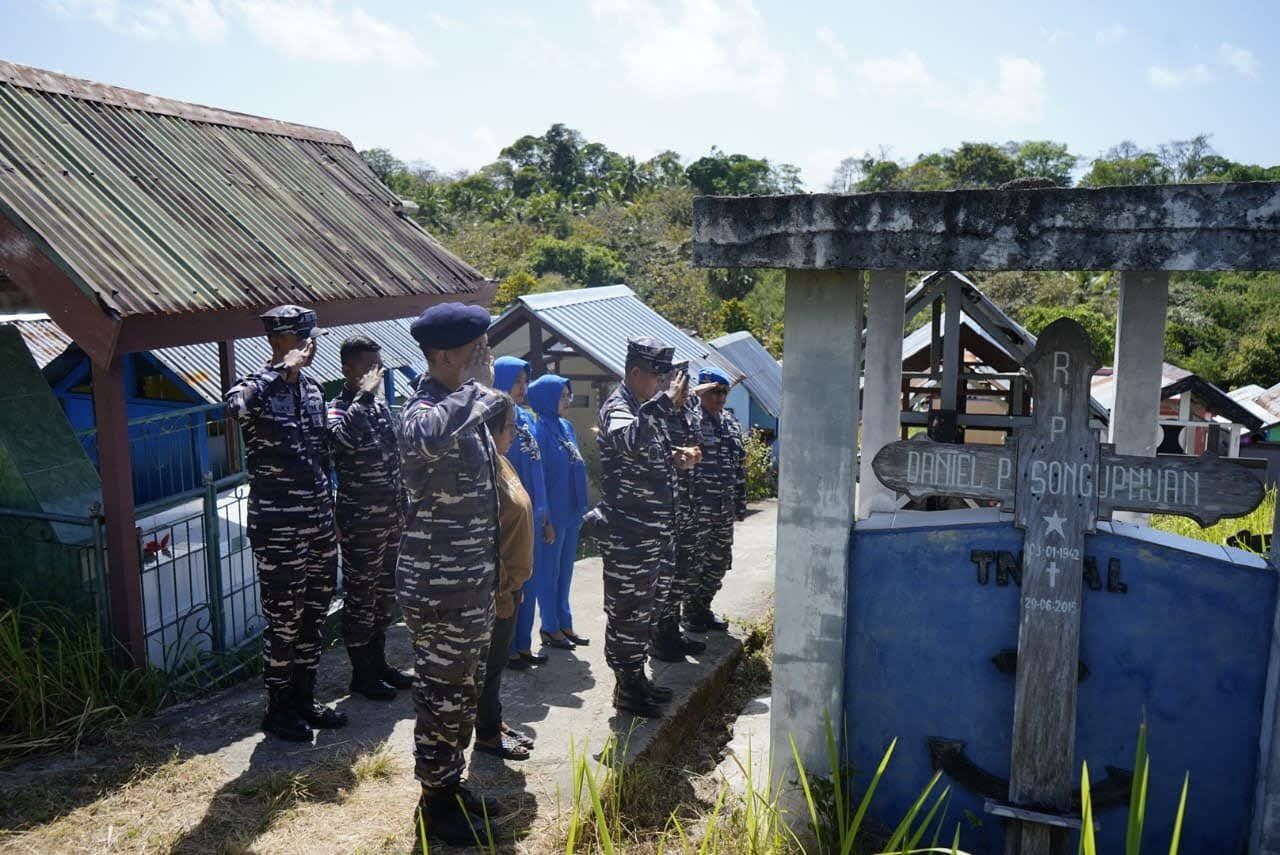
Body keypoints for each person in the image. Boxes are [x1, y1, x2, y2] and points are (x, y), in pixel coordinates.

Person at [399, 302, 506, 844]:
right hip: (439, 588)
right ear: (443, 355)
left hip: (471, 584)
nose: (485, 357)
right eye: (475, 350)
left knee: (462, 693)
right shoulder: (423, 409)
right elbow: (426, 435)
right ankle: (434, 805)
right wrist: (477, 387)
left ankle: (449, 785)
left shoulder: (464, 406)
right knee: (441, 699)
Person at [225, 305, 346, 742]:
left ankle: (304, 699)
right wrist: (281, 371)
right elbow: (234, 408)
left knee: (315, 612)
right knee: (284, 620)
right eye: (303, 338)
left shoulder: (313, 391)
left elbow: (321, 453)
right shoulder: (255, 386)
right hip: (278, 526)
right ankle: (278, 708)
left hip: (317, 521)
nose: (311, 346)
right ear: (279, 341)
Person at [595, 337, 695, 718]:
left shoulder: (643, 408)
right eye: (657, 376)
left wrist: (674, 458)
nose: (663, 384)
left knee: (649, 611)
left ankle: (637, 679)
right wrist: (666, 403)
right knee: (628, 614)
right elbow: (629, 441)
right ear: (635, 372)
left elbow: (646, 452)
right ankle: (627, 689)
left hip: (656, 535)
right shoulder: (618, 407)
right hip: (630, 538)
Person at [327, 335, 414, 701]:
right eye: (369, 366)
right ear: (348, 369)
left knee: (384, 594)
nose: (376, 374)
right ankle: (361, 675)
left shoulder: (379, 408)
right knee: (361, 597)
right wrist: (363, 396)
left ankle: (378, 664)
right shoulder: (339, 407)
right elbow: (340, 442)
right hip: (361, 522)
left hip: (392, 517)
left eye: (379, 366)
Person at [474, 393, 536, 762]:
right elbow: (488, 538)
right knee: (491, 666)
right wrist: (503, 590)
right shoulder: (483, 472)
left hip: (511, 585)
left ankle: (493, 722)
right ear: (492, 428)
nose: (514, 432)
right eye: (510, 426)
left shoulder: (502, 462)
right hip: (496, 590)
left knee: (494, 665)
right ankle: (486, 736)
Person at [492, 356, 552, 672]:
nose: (522, 387)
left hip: (534, 513)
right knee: (513, 582)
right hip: (512, 519)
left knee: (528, 580)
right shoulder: (498, 421)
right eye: (516, 380)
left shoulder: (526, 419)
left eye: (525, 381)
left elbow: (537, 470)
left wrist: (544, 514)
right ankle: (510, 649)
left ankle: (524, 645)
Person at [527, 374, 590, 652]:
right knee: (548, 574)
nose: (567, 401)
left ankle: (565, 623)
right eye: (562, 396)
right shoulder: (538, 432)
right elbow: (539, 479)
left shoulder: (566, 427)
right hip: (551, 517)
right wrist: (545, 520)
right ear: (546, 399)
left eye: (568, 395)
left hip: (571, 512)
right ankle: (549, 627)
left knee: (565, 573)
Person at [685, 367, 748, 633]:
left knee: (718, 561)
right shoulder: (691, 420)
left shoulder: (730, 422)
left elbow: (739, 465)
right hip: (698, 508)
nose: (721, 397)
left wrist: (740, 503)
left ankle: (703, 609)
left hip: (723, 507)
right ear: (703, 391)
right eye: (715, 392)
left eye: (725, 392)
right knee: (693, 564)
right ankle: (688, 615)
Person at [651, 368, 706, 662]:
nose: (685, 392)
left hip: (688, 503)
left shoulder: (686, 412)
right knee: (666, 577)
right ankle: (660, 638)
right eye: (680, 387)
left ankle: (672, 630)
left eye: (687, 387)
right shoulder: (659, 414)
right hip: (667, 508)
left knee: (682, 573)